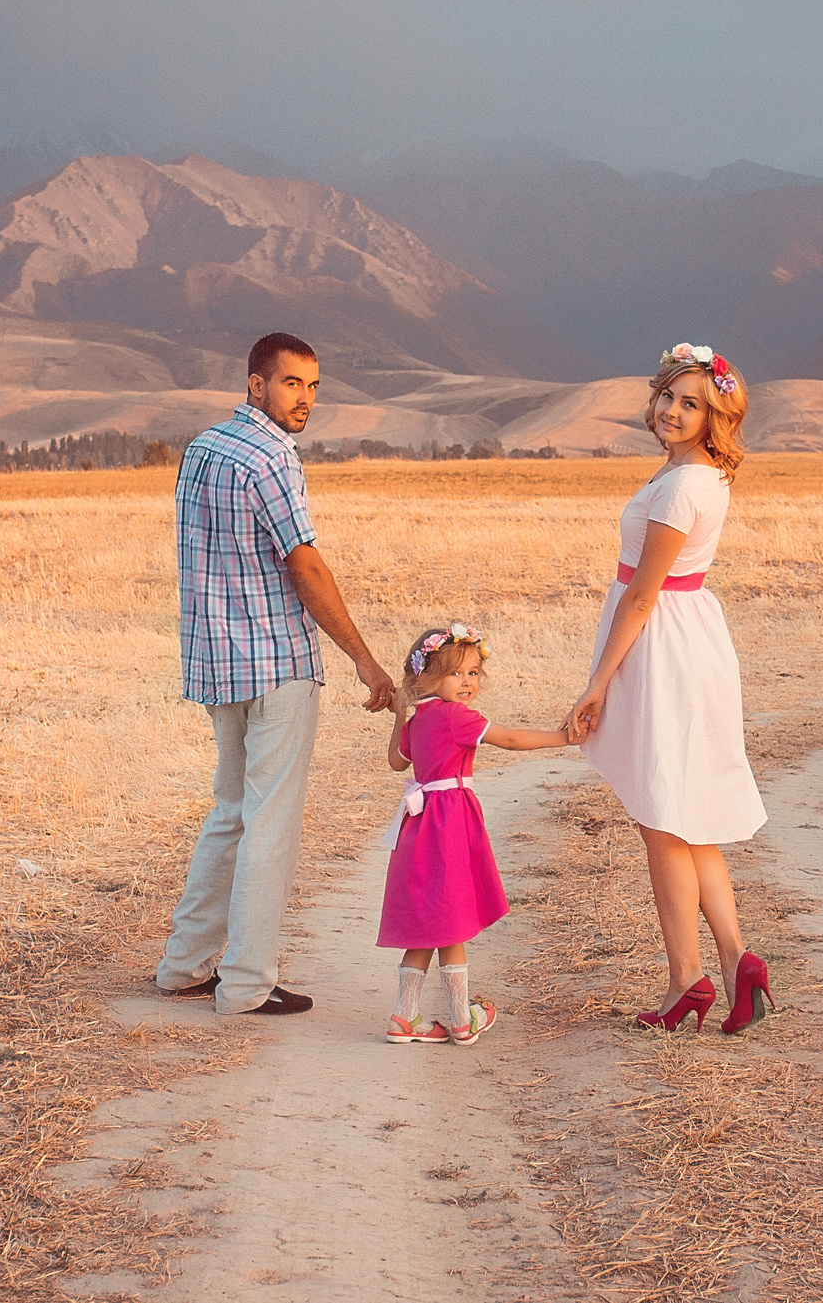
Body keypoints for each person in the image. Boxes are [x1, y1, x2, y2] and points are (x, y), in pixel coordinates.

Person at [155, 331, 397, 1016]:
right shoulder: (271, 458)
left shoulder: (202, 448)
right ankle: (246, 983)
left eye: (314, 387)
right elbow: (306, 564)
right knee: (269, 824)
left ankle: (183, 966)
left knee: (230, 812)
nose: (306, 400)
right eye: (292, 384)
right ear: (256, 384)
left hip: (216, 663)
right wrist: (363, 657)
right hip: (274, 661)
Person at [566, 342, 774, 1035]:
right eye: (669, 397)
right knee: (685, 816)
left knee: (662, 816)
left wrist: (597, 682)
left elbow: (642, 593)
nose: (674, 411)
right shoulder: (694, 473)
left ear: (716, 416)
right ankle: (738, 957)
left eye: (693, 403)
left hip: (663, 645)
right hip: (682, 638)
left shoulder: (687, 484)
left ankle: (686, 976)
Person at [375, 622, 575, 1044]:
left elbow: (397, 762)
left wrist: (401, 714)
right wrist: (564, 738)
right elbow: (512, 739)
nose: (467, 682)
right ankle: (462, 1021)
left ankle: (403, 1017)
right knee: (451, 918)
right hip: (448, 823)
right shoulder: (455, 717)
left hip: (420, 823)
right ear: (427, 677)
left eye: (473, 672)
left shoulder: (423, 717)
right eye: (455, 673)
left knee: (429, 919)